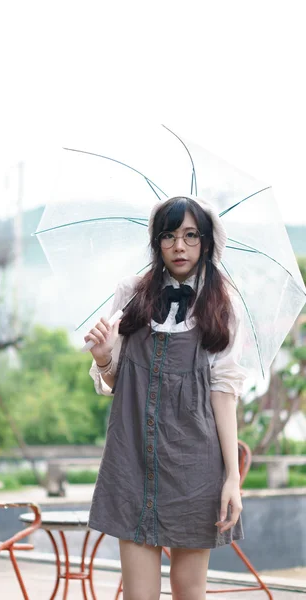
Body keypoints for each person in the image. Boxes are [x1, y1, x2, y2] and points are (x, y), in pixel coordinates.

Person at [84, 196, 248, 600]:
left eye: (191, 236)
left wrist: (231, 478)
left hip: (195, 466)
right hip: (132, 460)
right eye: (169, 236)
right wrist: (104, 358)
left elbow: (223, 393)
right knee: (139, 596)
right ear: (156, 243)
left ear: (206, 243)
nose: (179, 246)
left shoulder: (222, 304)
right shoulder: (131, 295)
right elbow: (113, 382)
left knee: (188, 592)